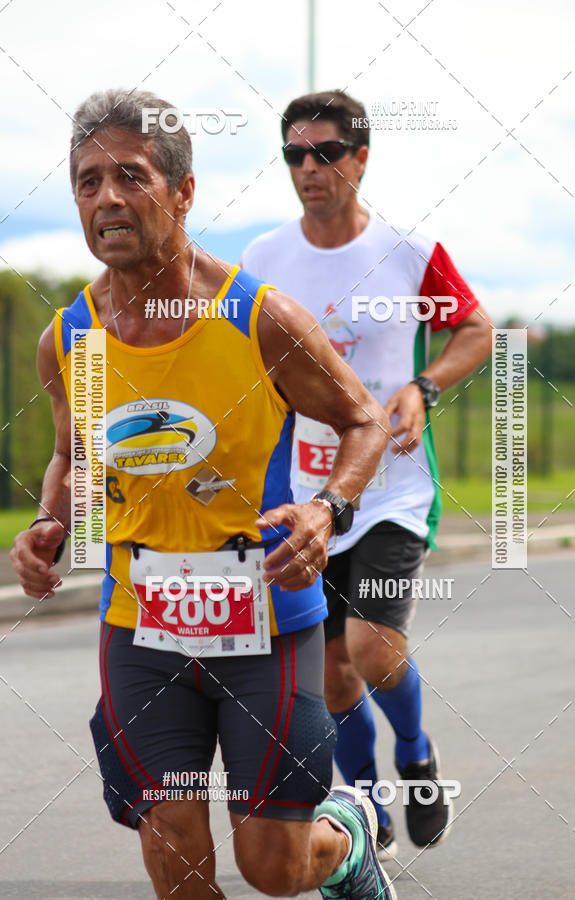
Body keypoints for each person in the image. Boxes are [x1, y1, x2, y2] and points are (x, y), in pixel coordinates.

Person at [10, 88, 397, 899]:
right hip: (140, 627)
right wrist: (50, 522)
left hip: (267, 624)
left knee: (274, 869)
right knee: (177, 863)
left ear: (183, 191)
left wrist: (327, 508)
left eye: (131, 176)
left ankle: (347, 836)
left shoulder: (260, 318)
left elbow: (364, 419)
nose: (107, 198)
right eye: (87, 182)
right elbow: (72, 460)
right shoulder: (72, 339)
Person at [241, 89, 494, 859]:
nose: (308, 168)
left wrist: (424, 386)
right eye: (294, 154)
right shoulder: (261, 261)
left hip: (393, 491)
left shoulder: (410, 251)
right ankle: (367, 806)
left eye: (325, 153)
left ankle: (415, 757)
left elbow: (475, 328)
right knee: (331, 674)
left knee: (373, 651)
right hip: (305, 495)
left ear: (360, 158)